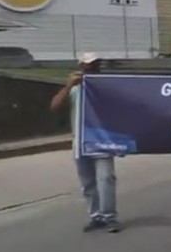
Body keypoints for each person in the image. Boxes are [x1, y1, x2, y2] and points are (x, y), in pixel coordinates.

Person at [50, 53, 120, 233]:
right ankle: (95, 216)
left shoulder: (107, 87)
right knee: (88, 182)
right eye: (88, 65)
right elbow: (54, 106)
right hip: (81, 141)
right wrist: (68, 86)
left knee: (106, 178)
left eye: (95, 64)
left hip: (102, 140)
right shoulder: (74, 88)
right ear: (81, 65)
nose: (91, 68)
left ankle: (109, 216)